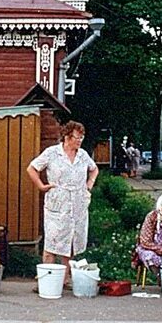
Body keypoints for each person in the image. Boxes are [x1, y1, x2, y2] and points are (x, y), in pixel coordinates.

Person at [27, 121, 99, 288]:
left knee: (72, 242)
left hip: (78, 203)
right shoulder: (52, 153)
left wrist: (89, 184)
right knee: (52, 242)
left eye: (82, 137)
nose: (80, 141)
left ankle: (64, 279)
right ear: (67, 137)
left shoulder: (82, 155)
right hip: (58, 202)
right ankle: (46, 281)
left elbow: (94, 169)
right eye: (77, 137)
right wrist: (41, 185)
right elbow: (32, 168)